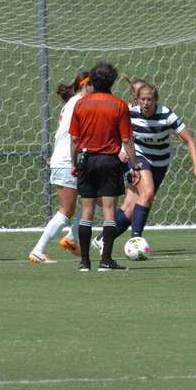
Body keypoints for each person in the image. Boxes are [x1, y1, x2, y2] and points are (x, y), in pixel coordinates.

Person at [92, 82, 196, 250]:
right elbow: (111, 134)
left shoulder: (166, 114)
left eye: (150, 99)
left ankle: (102, 239)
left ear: (156, 100)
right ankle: (136, 240)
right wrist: (119, 152)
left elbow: (190, 141)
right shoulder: (129, 114)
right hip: (138, 157)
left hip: (160, 162)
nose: (146, 103)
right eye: (143, 99)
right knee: (147, 192)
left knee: (133, 206)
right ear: (137, 99)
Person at [69, 62, 141, 271]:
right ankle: (106, 261)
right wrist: (135, 166)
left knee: (86, 212)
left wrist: (74, 163)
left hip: (87, 160)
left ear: (92, 81)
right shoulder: (119, 105)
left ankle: (84, 262)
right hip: (109, 161)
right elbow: (127, 140)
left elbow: (74, 139)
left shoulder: (81, 105)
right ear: (112, 81)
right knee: (109, 211)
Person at [28, 72, 94, 263]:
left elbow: (58, 135)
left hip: (67, 159)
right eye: (94, 85)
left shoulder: (72, 103)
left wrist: (54, 156)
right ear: (86, 86)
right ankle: (38, 250)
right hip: (68, 161)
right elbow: (75, 135)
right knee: (66, 209)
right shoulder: (79, 103)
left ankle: (71, 238)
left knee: (97, 200)